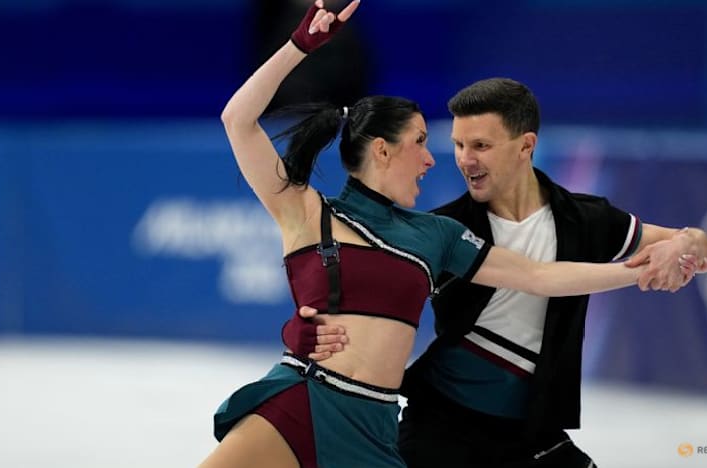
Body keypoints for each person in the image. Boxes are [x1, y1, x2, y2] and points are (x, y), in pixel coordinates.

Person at [200, 3, 677, 467]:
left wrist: (633, 272)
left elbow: (538, 276)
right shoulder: (308, 213)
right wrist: (298, 47)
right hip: (300, 404)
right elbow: (237, 120)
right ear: (383, 151)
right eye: (421, 143)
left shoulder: (438, 235)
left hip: (373, 430)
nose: (431, 159)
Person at [285, 77, 707, 467]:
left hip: (533, 432)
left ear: (526, 146)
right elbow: (358, 302)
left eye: (480, 146)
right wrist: (298, 333)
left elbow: (700, 246)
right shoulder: (444, 231)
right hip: (441, 428)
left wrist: (685, 244)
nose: (464, 160)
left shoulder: (584, 220)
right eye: (458, 145)